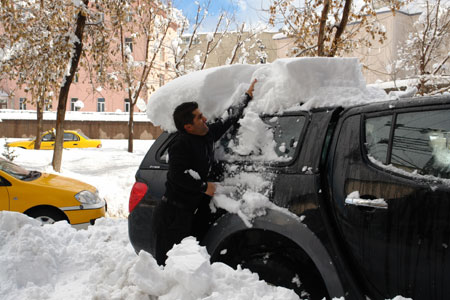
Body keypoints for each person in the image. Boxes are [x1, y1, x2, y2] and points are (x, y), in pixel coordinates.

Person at [152, 79, 257, 265]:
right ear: (188, 127)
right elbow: (177, 175)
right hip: (173, 215)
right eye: (199, 117)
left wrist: (247, 96)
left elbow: (229, 119)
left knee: (190, 262)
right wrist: (203, 186)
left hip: (191, 211)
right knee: (169, 265)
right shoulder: (180, 145)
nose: (205, 119)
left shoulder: (206, 134)